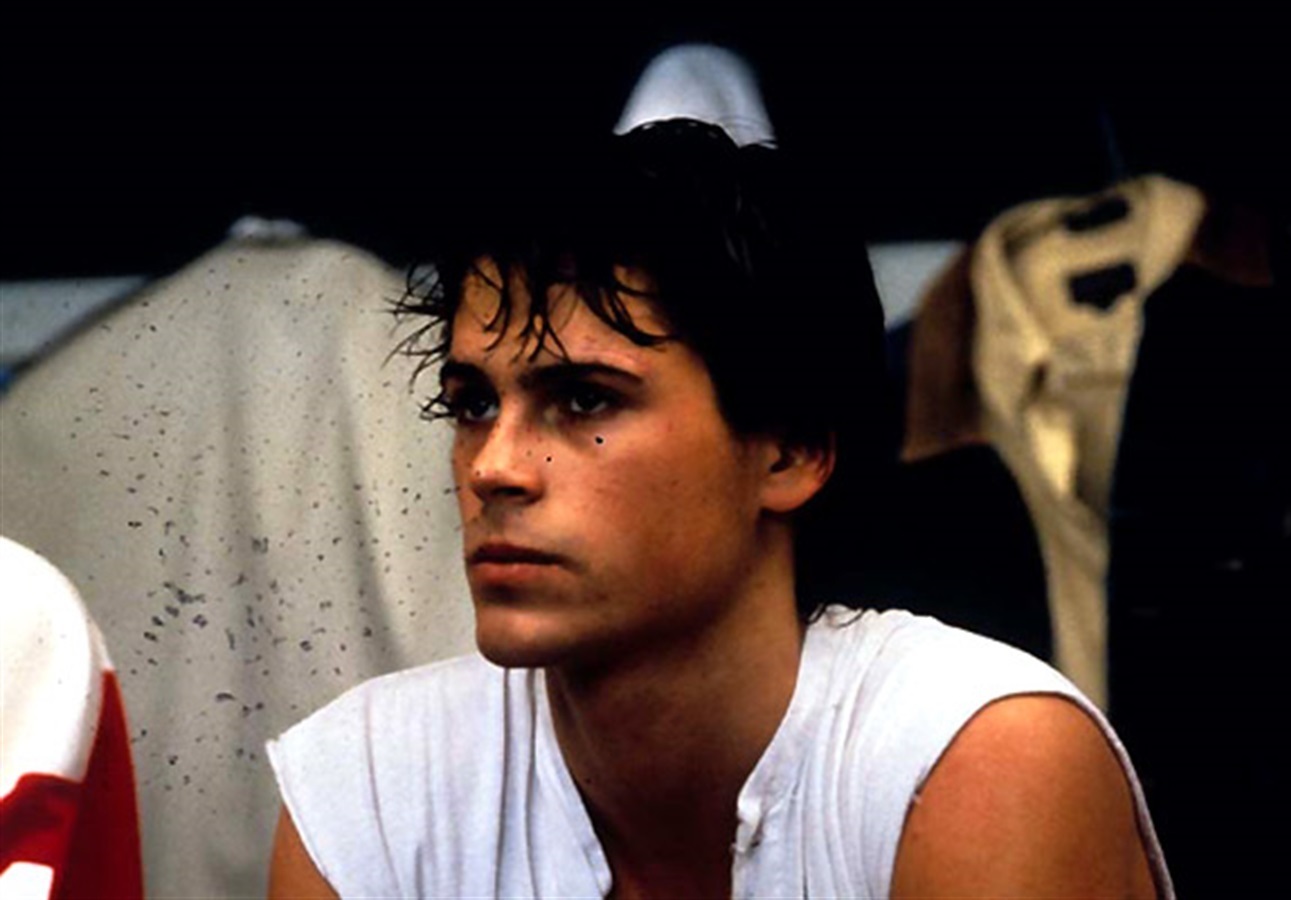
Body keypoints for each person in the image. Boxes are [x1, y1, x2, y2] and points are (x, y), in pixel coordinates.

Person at [266, 119, 1170, 898]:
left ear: (789, 450)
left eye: (583, 399)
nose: (494, 467)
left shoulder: (970, 758)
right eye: (472, 404)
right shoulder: (371, 789)